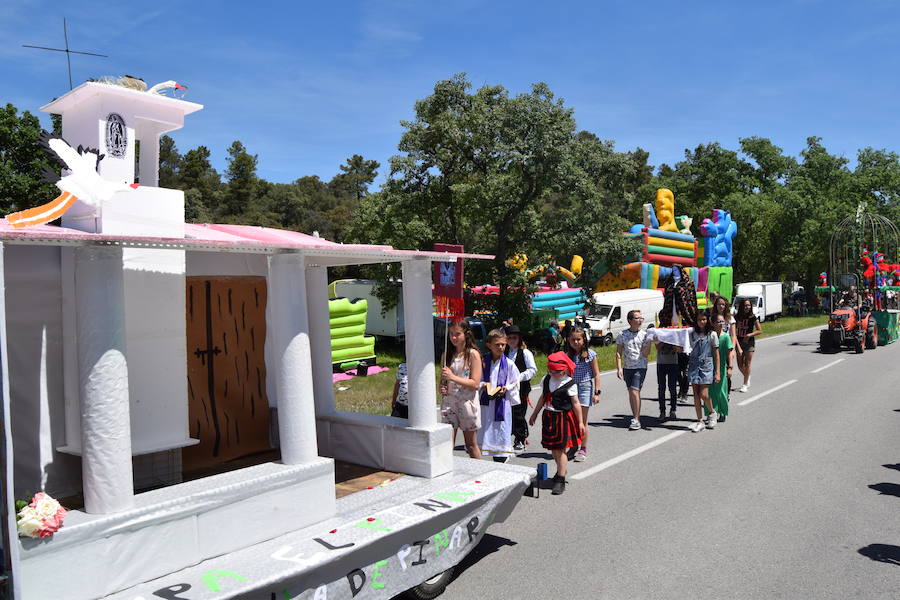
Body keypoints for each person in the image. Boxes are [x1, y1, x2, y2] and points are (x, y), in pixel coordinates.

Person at [528, 352, 583, 495]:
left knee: (561, 449)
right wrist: (534, 414)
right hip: (549, 417)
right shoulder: (546, 379)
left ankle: (561, 479)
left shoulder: (569, 383)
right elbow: (542, 398)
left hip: (563, 418)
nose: (554, 373)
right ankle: (560, 471)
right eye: (551, 371)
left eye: (557, 371)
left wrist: (581, 422)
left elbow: (576, 404)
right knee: (553, 448)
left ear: (564, 369)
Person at [440, 319, 483, 459]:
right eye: (451, 334)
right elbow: (443, 380)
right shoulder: (447, 354)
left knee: (471, 445)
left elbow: (475, 383)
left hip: (466, 404)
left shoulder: (472, 354)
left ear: (466, 334)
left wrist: (452, 377)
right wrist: (442, 387)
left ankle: (481, 475)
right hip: (449, 404)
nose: (453, 338)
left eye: (457, 334)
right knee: (446, 444)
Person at [477, 329, 521, 462]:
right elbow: (475, 379)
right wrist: (483, 385)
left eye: (503, 344)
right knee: (483, 432)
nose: (501, 347)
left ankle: (501, 459)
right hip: (484, 404)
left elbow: (515, 381)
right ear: (489, 345)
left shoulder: (509, 364)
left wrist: (506, 388)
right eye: (497, 344)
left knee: (500, 432)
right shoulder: (482, 362)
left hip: (501, 404)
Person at [564, 327, 600, 460]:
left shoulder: (590, 354)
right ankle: (573, 446)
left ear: (584, 340)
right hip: (571, 388)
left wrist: (597, 392)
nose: (576, 342)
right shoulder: (567, 355)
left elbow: (596, 374)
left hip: (585, 387)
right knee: (572, 419)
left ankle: (583, 449)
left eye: (578, 339)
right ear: (569, 340)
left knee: (582, 420)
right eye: (573, 339)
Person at [615, 310, 652, 430]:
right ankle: (635, 415)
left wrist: (649, 342)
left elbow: (646, 354)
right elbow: (618, 353)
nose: (640, 320)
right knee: (631, 392)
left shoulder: (644, 334)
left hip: (640, 367)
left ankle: (636, 419)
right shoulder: (622, 334)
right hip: (627, 368)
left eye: (641, 318)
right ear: (630, 321)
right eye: (637, 318)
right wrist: (619, 368)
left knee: (634, 391)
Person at [504, 325, 536, 453]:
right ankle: (505, 438)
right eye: (509, 338)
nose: (512, 340)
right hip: (506, 388)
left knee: (519, 413)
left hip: (521, 388)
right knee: (506, 413)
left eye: (514, 338)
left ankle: (520, 439)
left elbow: (533, 370)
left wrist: (519, 377)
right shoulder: (503, 352)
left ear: (519, 339)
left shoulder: (525, 353)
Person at [688, 311, 720, 432]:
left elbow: (716, 354)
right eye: (700, 319)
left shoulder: (712, 334)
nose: (702, 322)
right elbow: (687, 347)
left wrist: (717, 372)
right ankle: (700, 420)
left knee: (704, 394)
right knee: (696, 394)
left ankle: (712, 412)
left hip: (706, 366)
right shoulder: (691, 333)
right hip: (693, 365)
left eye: (704, 319)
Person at [710, 295, 738, 391]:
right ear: (715, 305)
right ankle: (714, 391)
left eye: (723, 304)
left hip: (726, 345)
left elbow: (733, 335)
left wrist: (732, 349)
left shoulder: (730, 318)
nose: (721, 306)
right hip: (714, 345)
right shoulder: (712, 318)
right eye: (719, 304)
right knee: (714, 368)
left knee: (726, 370)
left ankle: (727, 391)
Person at [709, 315, 734, 422]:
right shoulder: (710, 336)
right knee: (711, 392)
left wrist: (730, 367)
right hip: (709, 367)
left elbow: (729, 354)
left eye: (722, 321)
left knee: (721, 391)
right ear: (713, 323)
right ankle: (712, 412)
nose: (720, 323)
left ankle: (723, 412)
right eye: (718, 321)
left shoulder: (726, 337)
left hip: (722, 367)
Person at [734, 298, 761, 392]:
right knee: (740, 365)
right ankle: (747, 376)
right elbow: (733, 330)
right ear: (742, 306)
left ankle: (745, 384)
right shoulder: (737, 317)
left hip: (749, 343)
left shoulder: (753, 317)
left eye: (748, 305)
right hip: (739, 341)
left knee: (747, 364)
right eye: (745, 305)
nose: (747, 307)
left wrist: (750, 334)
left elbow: (759, 330)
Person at [655, 341, 680, 421]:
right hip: (661, 363)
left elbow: (678, 349)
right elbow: (657, 347)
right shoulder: (660, 333)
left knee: (672, 387)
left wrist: (671, 340)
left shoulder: (674, 334)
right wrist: (664, 339)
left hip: (673, 363)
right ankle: (662, 411)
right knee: (661, 388)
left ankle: (673, 410)